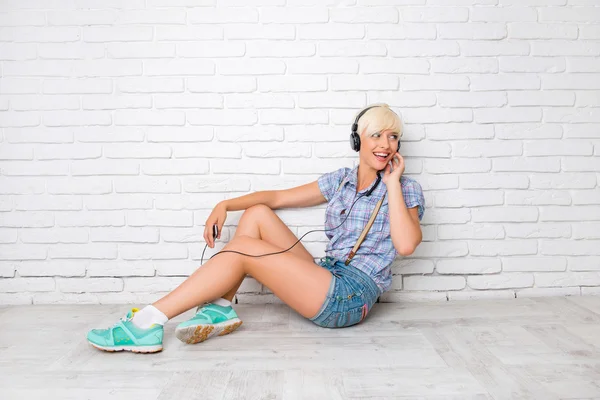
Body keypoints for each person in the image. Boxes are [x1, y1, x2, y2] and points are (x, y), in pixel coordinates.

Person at [86, 103, 425, 353]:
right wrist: (226, 204)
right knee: (258, 213)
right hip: (326, 275)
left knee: (244, 250)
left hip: (349, 296)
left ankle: (147, 323)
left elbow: (407, 245)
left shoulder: (404, 188)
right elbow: (278, 197)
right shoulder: (341, 180)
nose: (385, 143)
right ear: (358, 141)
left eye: (393, 136)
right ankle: (220, 307)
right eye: (376, 135)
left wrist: (392, 183)